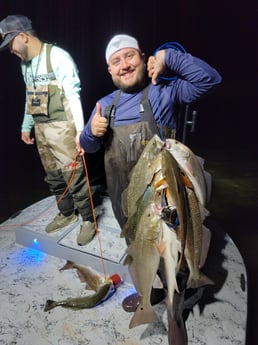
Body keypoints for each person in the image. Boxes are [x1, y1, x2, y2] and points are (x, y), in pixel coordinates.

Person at [79, 34, 222, 309]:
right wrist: (91, 132)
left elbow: (210, 80)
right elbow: (88, 147)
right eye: (116, 61)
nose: (124, 65)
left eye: (129, 56)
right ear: (110, 70)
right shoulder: (105, 105)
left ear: (144, 59)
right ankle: (154, 290)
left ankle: (185, 290)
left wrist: (170, 58)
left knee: (175, 248)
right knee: (140, 251)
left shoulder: (163, 91)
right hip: (127, 204)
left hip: (165, 199)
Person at [0, 14, 103, 246]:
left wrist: (80, 132)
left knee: (74, 177)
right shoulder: (24, 66)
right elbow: (30, 95)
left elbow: (73, 95)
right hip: (42, 131)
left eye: (11, 45)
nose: (10, 51)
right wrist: (26, 126)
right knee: (54, 177)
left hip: (64, 128)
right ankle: (67, 214)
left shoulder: (58, 57)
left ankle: (88, 219)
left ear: (23, 37)